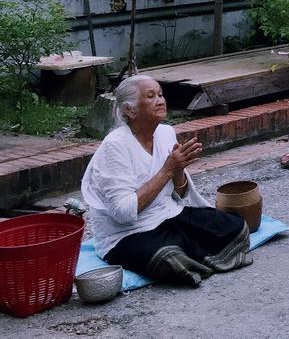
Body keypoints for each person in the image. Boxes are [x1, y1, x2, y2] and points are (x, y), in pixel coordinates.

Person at [81, 76, 251, 287]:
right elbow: (124, 214)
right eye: (151, 96)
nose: (160, 100)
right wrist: (168, 169)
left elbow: (180, 195)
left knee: (236, 228)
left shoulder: (166, 133)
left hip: (168, 215)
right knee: (167, 257)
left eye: (160, 94)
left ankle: (187, 253)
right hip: (128, 233)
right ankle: (186, 255)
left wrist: (178, 170)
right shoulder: (114, 146)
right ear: (130, 110)